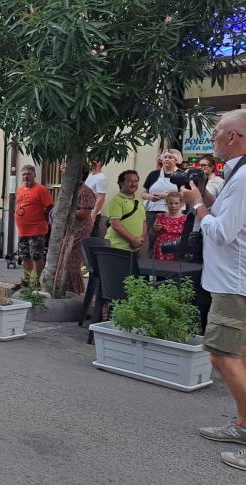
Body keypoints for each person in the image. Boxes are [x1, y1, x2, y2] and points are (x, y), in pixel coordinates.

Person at [182, 109, 246, 471]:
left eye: (218, 132)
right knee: (240, 353)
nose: (213, 138)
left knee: (222, 355)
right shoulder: (236, 174)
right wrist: (204, 197)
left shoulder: (244, 176)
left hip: (233, 283)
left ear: (234, 137)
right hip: (234, 281)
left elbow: (223, 231)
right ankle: (242, 425)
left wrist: (197, 207)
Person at [15, 164, 54, 284]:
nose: (26, 176)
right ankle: (26, 281)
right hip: (23, 230)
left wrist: (44, 221)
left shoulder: (41, 189)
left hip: (36, 230)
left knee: (37, 256)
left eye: (28, 174)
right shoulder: (20, 190)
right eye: (24, 174)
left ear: (34, 175)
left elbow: (49, 207)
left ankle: (35, 281)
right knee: (25, 256)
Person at [62, 164, 97, 294]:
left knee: (72, 263)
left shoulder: (85, 191)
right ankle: (65, 288)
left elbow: (85, 213)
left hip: (80, 230)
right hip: (70, 229)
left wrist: (66, 211)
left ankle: (75, 291)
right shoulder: (72, 189)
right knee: (65, 260)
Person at [141, 149, 182, 256]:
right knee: (153, 239)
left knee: (171, 240)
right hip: (152, 212)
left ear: (176, 160)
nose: (167, 159)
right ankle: (152, 265)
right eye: (165, 157)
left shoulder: (181, 175)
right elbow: (143, 193)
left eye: (171, 157)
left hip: (173, 214)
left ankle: (169, 266)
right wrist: (150, 197)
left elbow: (184, 195)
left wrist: (166, 196)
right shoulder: (153, 174)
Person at [104, 170, 145, 252]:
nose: (133, 184)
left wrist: (141, 239)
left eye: (136, 181)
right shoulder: (116, 200)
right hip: (116, 246)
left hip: (135, 247)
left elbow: (144, 222)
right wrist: (133, 239)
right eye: (130, 181)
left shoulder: (138, 201)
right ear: (121, 183)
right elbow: (115, 225)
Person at [151, 192, 186, 261]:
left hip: (176, 246)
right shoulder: (160, 216)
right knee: (161, 267)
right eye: (170, 203)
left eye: (176, 203)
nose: (173, 206)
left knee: (174, 268)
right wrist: (155, 229)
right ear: (166, 203)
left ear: (181, 204)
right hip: (161, 245)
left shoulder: (184, 218)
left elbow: (186, 234)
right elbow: (153, 233)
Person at [85, 160, 108, 233]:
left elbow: (101, 197)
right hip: (85, 212)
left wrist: (93, 215)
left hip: (92, 214)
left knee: (91, 240)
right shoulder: (90, 175)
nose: (89, 161)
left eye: (92, 159)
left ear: (99, 162)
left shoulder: (101, 178)